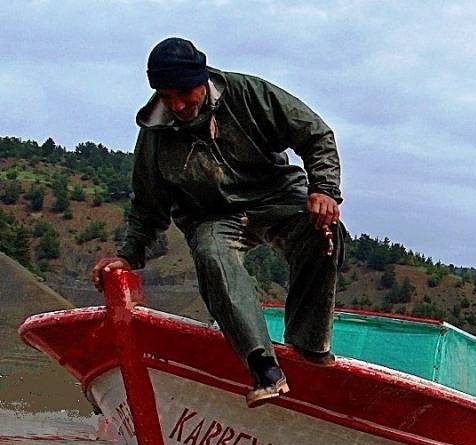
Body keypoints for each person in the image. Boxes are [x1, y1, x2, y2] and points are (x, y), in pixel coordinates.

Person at [92, 37, 344, 407]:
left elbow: (317, 135)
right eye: (166, 95)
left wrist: (323, 189)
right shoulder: (155, 133)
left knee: (325, 233)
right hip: (212, 216)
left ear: (202, 79)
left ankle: (307, 345)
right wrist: (128, 257)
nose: (177, 105)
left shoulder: (249, 94)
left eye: (184, 93)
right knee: (211, 253)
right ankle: (264, 368)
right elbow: (148, 205)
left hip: (275, 196)